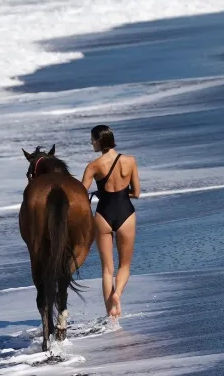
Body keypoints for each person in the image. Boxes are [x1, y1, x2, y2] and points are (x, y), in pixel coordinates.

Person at [82, 124, 140, 320]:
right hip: (126, 213)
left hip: (103, 215)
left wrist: (99, 193)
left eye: (93, 140)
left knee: (107, 269)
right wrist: (122, 194)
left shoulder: (93, 166)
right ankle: (118, 295)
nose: (91, 143)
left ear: (100, 140)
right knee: (125, 265)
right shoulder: (130, 161)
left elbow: (81, 194)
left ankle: (111, 315)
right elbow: (137, 193)